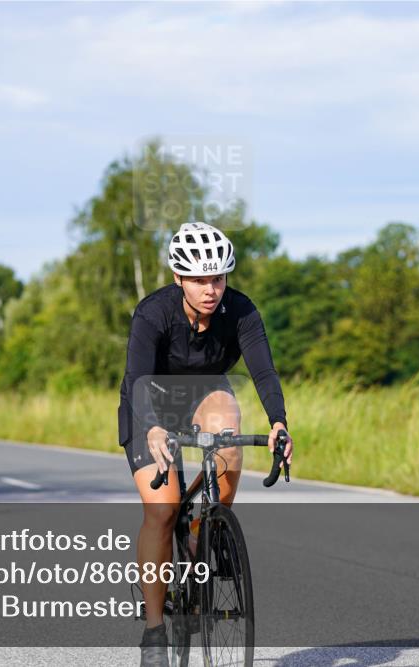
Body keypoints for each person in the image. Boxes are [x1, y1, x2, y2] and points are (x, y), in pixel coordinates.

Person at [118, 221, 294, 666]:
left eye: (217, 278)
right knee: (162, 509)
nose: (210, 289)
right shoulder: (153, 313)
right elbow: (137, 378)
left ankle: (207, 528)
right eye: (198, 280)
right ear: (178, 278)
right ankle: (155, 630)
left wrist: (278, 422)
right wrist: (154, 427)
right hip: (149, 402)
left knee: (228, 432)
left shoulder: (241, 311)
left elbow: (264, 372)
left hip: (204, 392)